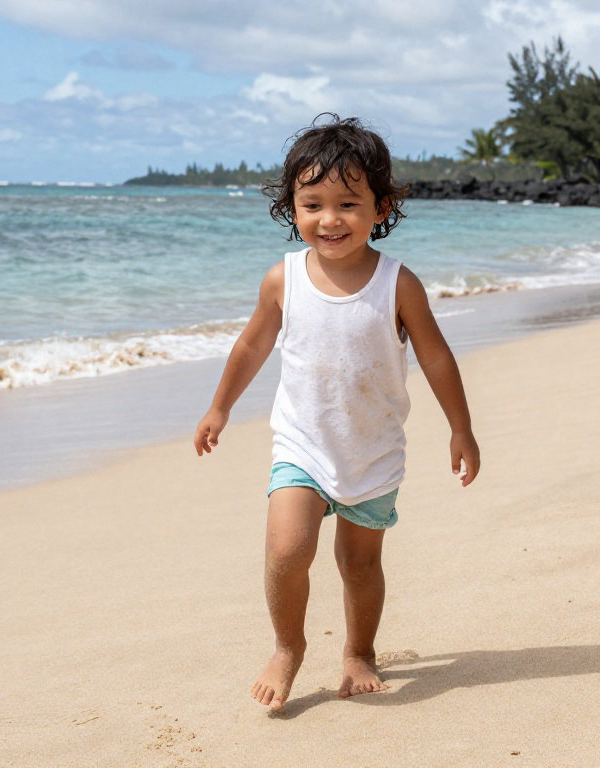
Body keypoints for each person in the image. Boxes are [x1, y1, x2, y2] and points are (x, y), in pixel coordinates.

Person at [193, 114, 480, 711]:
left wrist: (461, 428)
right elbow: (251, 345)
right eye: (313, 203)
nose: (330, 219)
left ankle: (358, 652)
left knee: (359, 563)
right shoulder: (284, 280)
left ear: (381, 207)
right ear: (290, 207)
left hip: (372, 451)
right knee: (287, 549)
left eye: (348, 203)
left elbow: (435, 356)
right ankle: (288, 645)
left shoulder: (398, 284)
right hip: (301, 443)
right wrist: (220, 406)